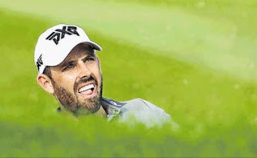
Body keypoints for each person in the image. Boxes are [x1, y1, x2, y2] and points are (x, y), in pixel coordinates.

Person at [34, 24, 171, 127]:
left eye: (88, 59)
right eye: (69, 66)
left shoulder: (145, 115)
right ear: (47, 83)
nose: (86, 72)